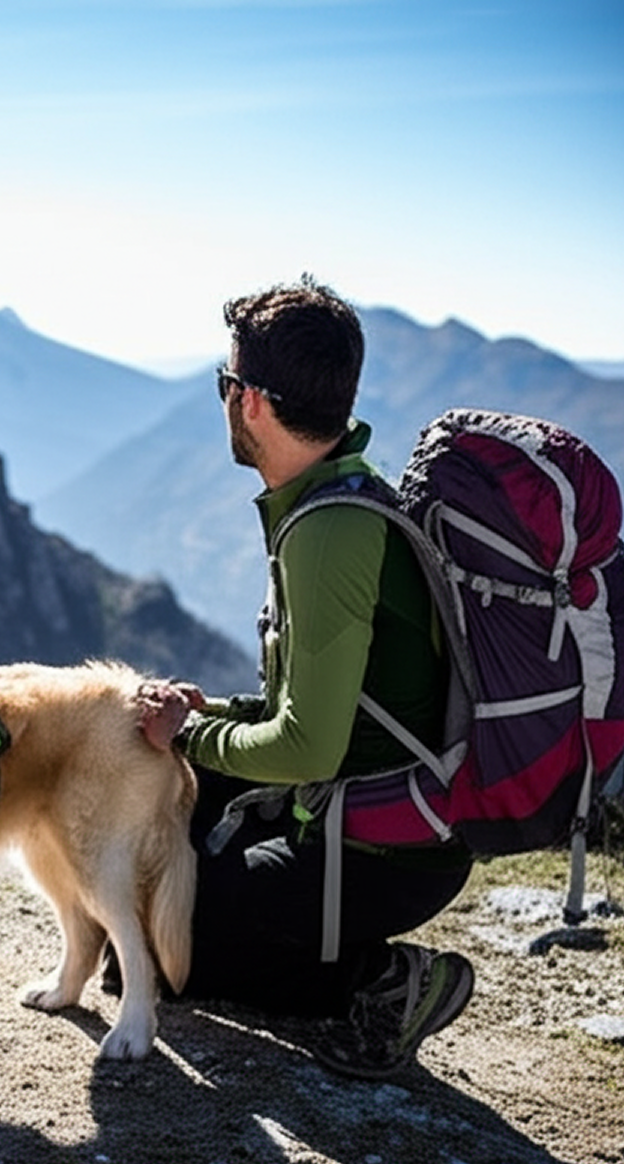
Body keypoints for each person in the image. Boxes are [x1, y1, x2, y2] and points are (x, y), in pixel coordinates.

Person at [136, 278, 475, 1080]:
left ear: (250, 401)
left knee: (165, 949)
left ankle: (383, 984)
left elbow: (309, 745)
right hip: (363, 805)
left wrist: (187, 732)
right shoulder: (336, 496)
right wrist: (204, 716)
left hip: (385, 848)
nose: (223, 401)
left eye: (225, 385)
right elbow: (323, 708)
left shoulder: (326, 534)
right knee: (165, 824)